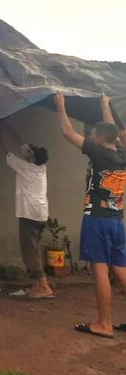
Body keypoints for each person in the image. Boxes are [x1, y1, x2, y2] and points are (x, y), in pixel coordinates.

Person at [55, 94, 126, 339]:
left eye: (93, 132)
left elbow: (67, 132)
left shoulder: (98, 153)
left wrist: (60, 106)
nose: (91, 135)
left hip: (97, 219)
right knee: (120, 270)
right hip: (118, 220)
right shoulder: (122, 155)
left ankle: (104, 324)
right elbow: (114, 134)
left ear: (98, 138)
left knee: (100, 271)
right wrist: (105, 105)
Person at [6, 143, 53, 299]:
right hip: (40, 214)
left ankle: (44, 286)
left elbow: (7, 153)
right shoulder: (41, 167)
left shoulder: (25, 167)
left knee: (30, 252)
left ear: (32, 157)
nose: (24, 152)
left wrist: (0, 132)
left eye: (28, 152)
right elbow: (26, 150)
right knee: (35, 249)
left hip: (29, 214)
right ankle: (38, 285)